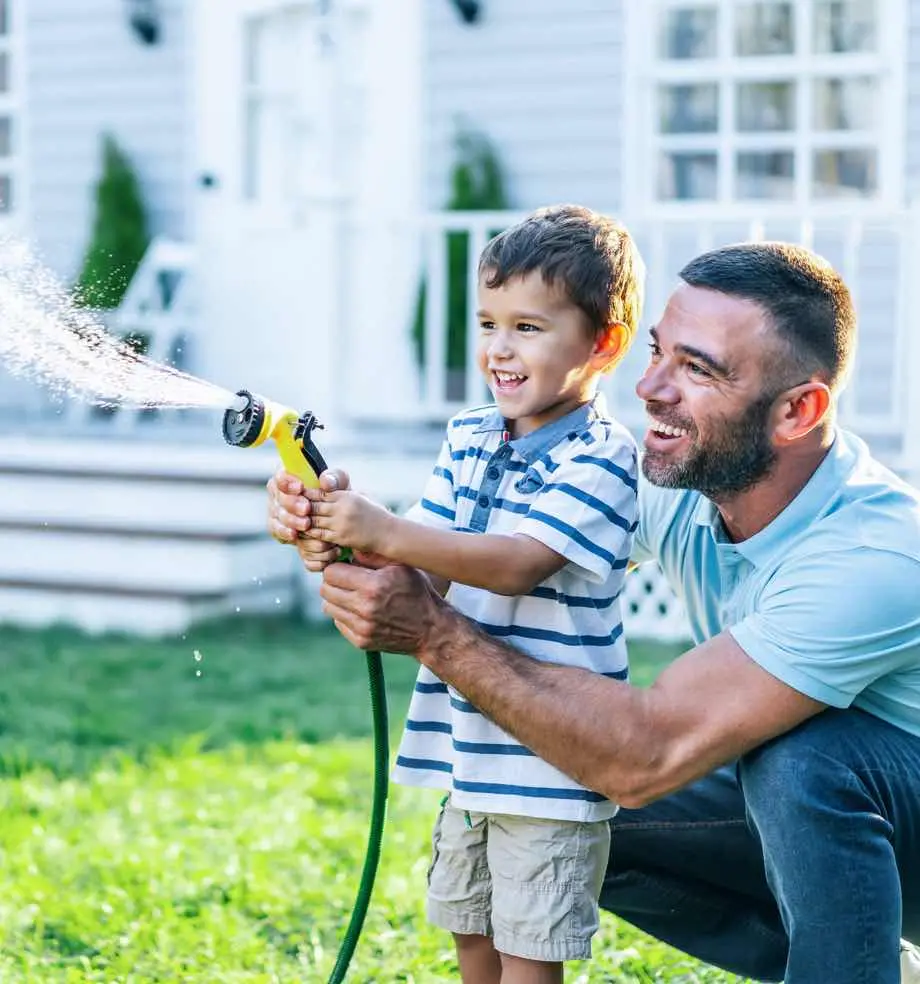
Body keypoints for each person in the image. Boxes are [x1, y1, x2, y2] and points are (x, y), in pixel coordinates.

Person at [268, 240, 920, 984]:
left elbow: (646, 755)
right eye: (659, 352)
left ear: (798, 410)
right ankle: (858, 962)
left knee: (802, 762)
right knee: (560, 794)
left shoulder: (875, 556)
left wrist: (431, 633)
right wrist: (342, 530)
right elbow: (478, 554)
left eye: (698, 370)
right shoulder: (677, 481)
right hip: (859, 831)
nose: (649, 387)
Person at [289, 204, 646, 984]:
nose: (499, 349)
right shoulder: (470, 436)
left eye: (528, 327)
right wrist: (332, 527)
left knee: (528, 953)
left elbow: (517, 564)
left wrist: (383, 530)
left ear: (604, 344)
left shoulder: (602, 455)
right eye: (488, 324)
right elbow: (428, 569)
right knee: (471, 936)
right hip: (470, 754)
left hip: (551, 767)